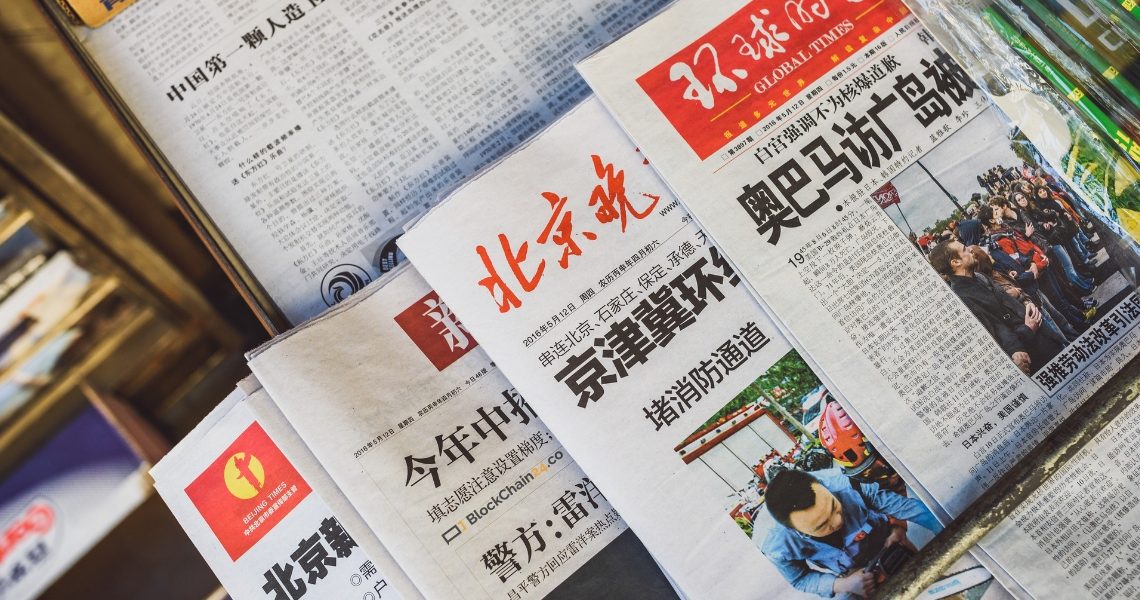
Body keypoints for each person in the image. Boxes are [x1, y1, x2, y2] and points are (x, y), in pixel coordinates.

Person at [761, 469, 941, 598]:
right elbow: (800, 578)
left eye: (833, 506)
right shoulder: (778, 547)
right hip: (852, 577)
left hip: (891, 544)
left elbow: (912, 509)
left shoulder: (851, 485)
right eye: (822, 525)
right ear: (794, 531)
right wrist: (842, 584)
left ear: (823, 486)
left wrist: (898, 526)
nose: (837, 521)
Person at [929, 240, 1065, 373]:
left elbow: (1007, 300)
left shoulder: (979, 276)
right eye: (964, 249)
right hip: (1035, 356)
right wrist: (1027, 329)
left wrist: (1026, 303)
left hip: (1046, 340)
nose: (970, 249)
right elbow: (996, 333)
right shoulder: (962, 298)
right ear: (956, 262)